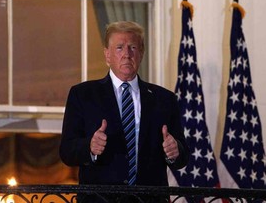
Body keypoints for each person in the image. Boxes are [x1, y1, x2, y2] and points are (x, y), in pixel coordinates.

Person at [59, 21, 189, 202]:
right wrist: (90, 147)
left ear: (141, 53)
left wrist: (174, 152)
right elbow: (66, 150)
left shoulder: (164, 99)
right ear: (107, 55)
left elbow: (182, 155)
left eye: (133, 47)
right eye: (119, 48)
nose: (127, 54)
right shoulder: (83, 95)